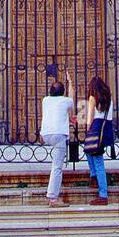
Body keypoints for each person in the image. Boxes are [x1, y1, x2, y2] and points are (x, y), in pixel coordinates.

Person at [39, 71, 75, 206]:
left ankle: (52, 195)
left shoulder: (45, 100)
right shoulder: (65, 101)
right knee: (57, 167)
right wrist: (70, 82)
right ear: (63, 92)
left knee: (55, 164)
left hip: (46, 134)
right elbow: (71, 98)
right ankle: (53, 198)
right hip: (59, 134)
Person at [84, 75, 113, 206]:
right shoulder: (109, 99)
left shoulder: (92, 98)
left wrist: (87, 130)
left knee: (98, 161)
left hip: (95, 128)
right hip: (106, 128)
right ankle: (93, 176)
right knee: (89, 152)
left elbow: (90, 118)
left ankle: (103, 195)